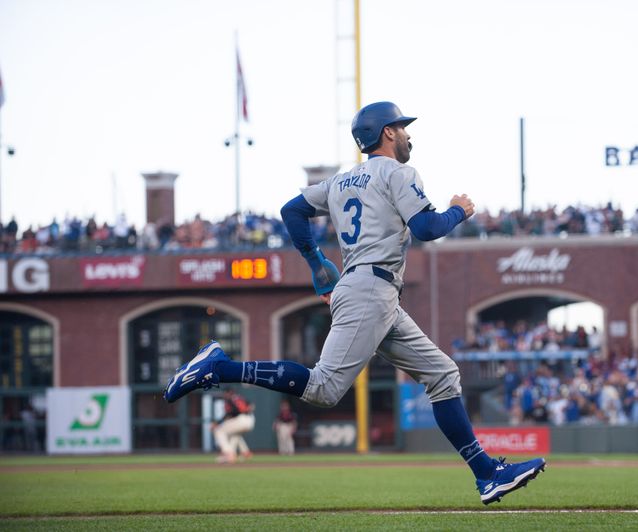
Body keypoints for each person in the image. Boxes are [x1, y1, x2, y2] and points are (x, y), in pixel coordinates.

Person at [164, 101, 546, 504]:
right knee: (323, 388)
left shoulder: (340, 182)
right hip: (370, 291)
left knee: (443, 375)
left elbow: (292, 211)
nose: (408, 133)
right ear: (388, 133)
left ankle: (487, 474)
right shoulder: (399, 172)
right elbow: (427, 227)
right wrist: (458, 210)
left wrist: (315, 262)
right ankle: (217, 367)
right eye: (402, 126)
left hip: (372, 291)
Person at [211, 389, 255, 464]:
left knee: (218, 430)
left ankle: (228, 454)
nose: (225, 395)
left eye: (225, 393)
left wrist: (218, 423)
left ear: (228, 393)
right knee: (235, 434)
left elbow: (233, 411)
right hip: (250, 420)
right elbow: (251, 405)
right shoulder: (240, 398)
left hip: (240, 419)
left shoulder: (230, 399)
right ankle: (245, 452)